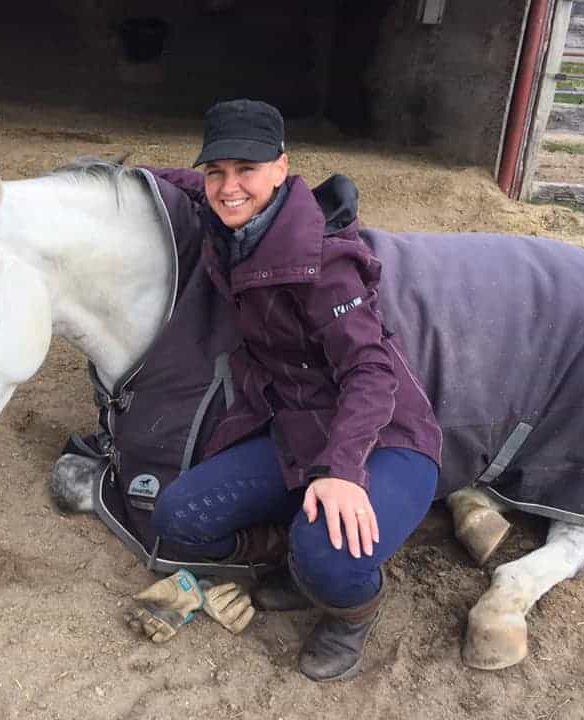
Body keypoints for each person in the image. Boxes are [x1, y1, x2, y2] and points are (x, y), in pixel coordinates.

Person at [135, 99, 443, 682]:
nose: (228, 187)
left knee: (330, 555)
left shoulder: (325, 260)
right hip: (296, 432)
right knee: (177, 516)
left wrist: (344, 471)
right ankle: (296, 556)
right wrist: (125, 176)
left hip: (381, 438)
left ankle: (349, 612)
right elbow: (192, 188)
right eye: (216, 170)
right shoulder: (233, 221)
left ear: (281, 168)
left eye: (246, 170)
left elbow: (371, 370)